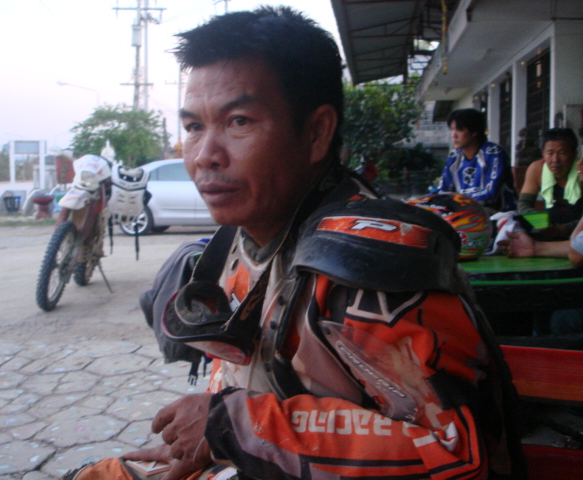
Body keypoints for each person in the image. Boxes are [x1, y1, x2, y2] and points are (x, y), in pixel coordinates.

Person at [63, 7, 522, 480]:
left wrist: (233, 427)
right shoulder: (240, 240)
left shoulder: (369, 269)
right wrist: (215, 440)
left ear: (317, 132)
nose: (204, 156)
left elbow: (458, 455)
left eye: (238, 121)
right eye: (195, 127)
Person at [438, 108, 516, 213]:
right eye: (452, 129)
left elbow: (490, 195)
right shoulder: (454, 157)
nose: (453, 135)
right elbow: (443, 191)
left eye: (459, 129)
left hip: (499, 214)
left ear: (474, 132)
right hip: (463, 211)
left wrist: (456, 202)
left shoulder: (494, 153)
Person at [515, 127, 583, 240]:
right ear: (543, 154)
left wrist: (562, 230)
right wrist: (540, 221)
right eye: (550, 153)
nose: (555, 160)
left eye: (562, 153)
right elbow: (523, 205)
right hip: (549, 228)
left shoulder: (581, 170)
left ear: (574, 154)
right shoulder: (537, 169)